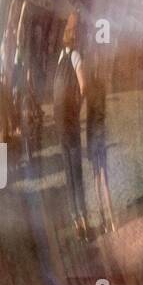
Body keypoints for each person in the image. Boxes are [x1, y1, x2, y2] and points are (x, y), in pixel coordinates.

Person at [52, 14, 88, 240]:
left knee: (68, 171)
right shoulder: (75, 56)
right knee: (76, 172)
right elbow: (84, 87)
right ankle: (81, 220)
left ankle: (76, 219)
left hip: (59, 122)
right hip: (70, 121)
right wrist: (77, 109)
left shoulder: (60, 57)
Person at [85, 43, 116, 235]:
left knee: (97, 179)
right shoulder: (101, 87)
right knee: (104, 180)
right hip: (99, 134)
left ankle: (104, 219)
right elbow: (101, 114)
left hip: (93, 135)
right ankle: (111, 220)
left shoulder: (89, 87)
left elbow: (90, 115)